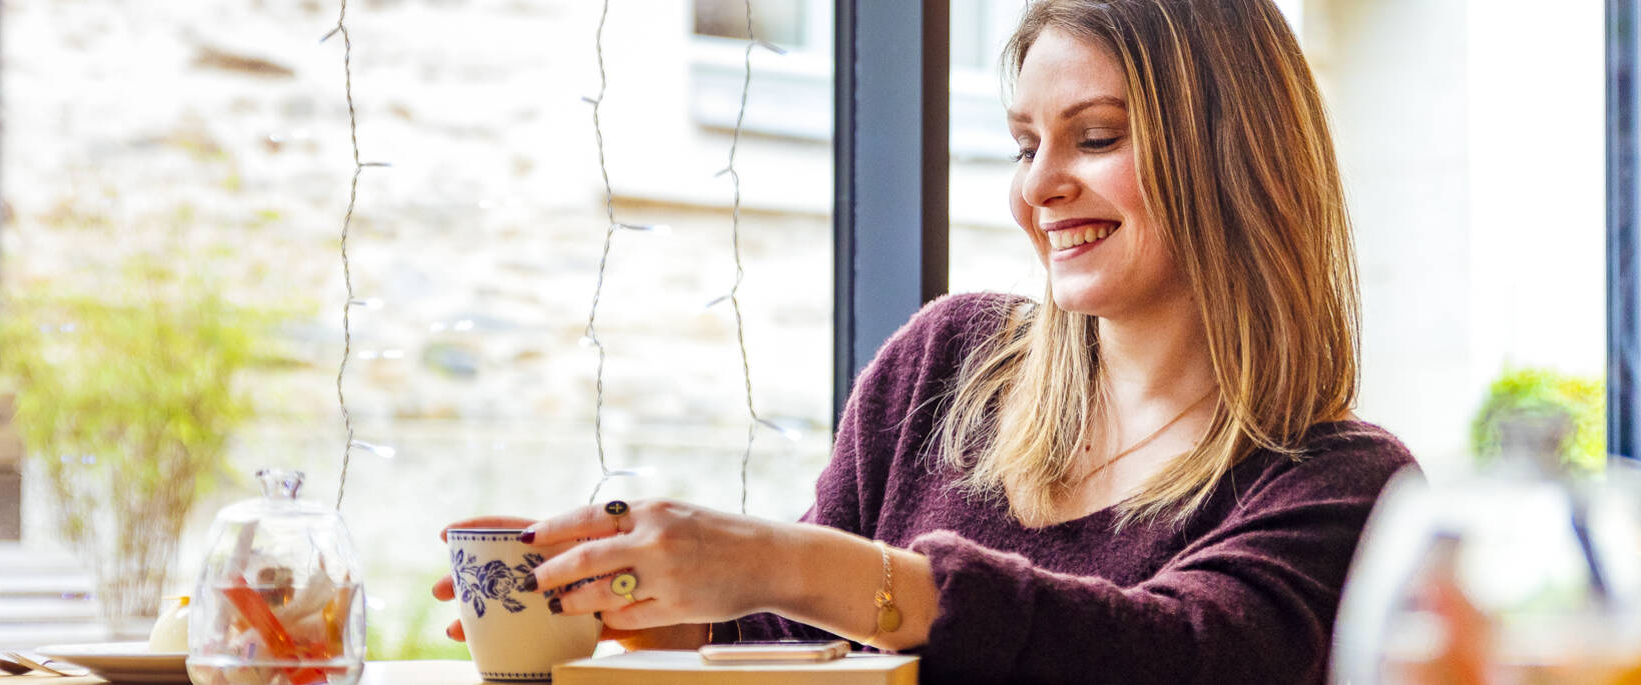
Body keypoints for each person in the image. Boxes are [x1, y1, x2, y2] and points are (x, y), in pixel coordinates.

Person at [434, 0, 1415, 682]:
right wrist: (645, 598)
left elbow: (1185, 654)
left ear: (1231, 153)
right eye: (1026, 143)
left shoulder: (1343, 486)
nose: (1037, 187)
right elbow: (799, 641)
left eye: (1099, 136)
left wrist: (779, 559)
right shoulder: (946, 366)